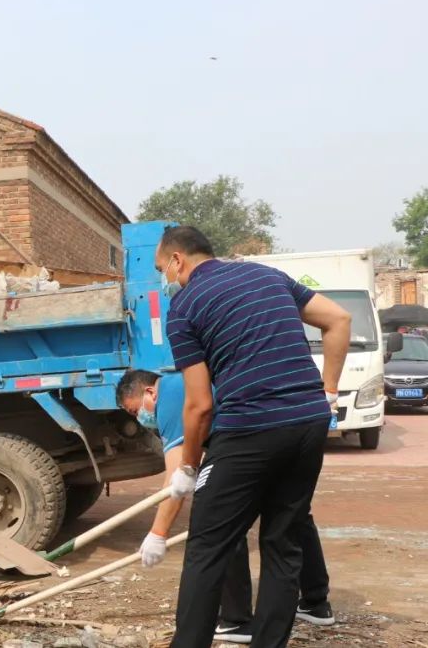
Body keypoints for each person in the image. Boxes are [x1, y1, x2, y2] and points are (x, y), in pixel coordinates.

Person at [156, 225, 350, 648]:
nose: (165, 279)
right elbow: (338, 319)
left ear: (177, 260)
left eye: (162, 269)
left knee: (207, 546)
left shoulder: (185, 307)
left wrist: (189, 466)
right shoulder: (267, 275)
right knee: (284, 543)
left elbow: (200, 405)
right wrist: (328, 392)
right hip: (308, 425)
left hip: (248, 429)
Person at [116, 369, 335, 645]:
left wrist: (158, 533)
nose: (141, 418)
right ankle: (317, 602)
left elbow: (175, 477)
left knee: (217, 526)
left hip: (248, 439)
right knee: (292, 523)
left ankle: (235, 620)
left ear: (149, 392)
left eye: (135, 410)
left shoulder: (169, 394)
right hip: (295, 428)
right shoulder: (191, 381)